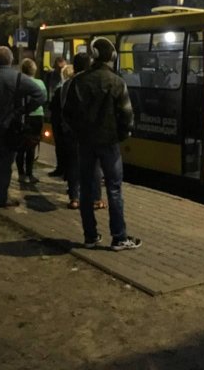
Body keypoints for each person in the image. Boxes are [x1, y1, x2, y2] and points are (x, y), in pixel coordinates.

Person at [64, 37, 140, 251]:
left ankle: (90, 237)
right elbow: (127, 115)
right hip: (109, 143)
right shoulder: (117, 82)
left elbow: (67, 114)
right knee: (114, 189)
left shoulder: (78, 81)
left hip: (85, 143)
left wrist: (79, 133)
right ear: (112, 56)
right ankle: (119, 238)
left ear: (93, 56)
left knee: (86, 189)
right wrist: (121, 135)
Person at [0, 46, 45, 208]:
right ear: (11, 60)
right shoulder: (18, 77)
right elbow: (40, 95)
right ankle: (0, 198)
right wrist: (22, 110)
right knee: (5, 163)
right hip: (10, 127)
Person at [57, 53, 105, 210]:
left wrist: (66, 126)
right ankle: (96, 199)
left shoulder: (67, 84)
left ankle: (75, 199)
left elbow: (64, 107)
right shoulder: (94, 82)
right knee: (94, 164)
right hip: (91, 131)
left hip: (72, 130)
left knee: (73, 163)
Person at [16, 58, 47, 184]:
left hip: (22, 117)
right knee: (32, 145)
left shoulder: (19, 83)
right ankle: (30, 173)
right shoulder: (40, 83)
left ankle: (21, 174)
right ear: (34, 70)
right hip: (37, 116)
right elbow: (44, 98)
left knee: (20, 146)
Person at [48, 55, 67, 177]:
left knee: (64, 144)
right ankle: (61, 168)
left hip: (63, 116)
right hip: (58, 116)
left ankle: (64, 169)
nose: (59, 70)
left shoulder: (67, 80)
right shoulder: (52, 76)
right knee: (59, 144)